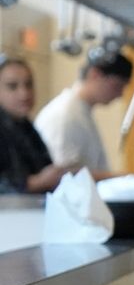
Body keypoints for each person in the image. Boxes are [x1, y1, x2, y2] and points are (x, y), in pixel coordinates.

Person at [34, 46, 131, 177]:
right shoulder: (65, 114)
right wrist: (121, 177)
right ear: (95, 74)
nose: (120, 94)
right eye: (117, 86)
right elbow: (64, 174)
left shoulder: (80, 111)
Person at [0, 55, 78, 194]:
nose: (24, 94)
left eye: (29, 85)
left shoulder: (26, 127)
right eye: (12, 87)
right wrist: (38, 182)